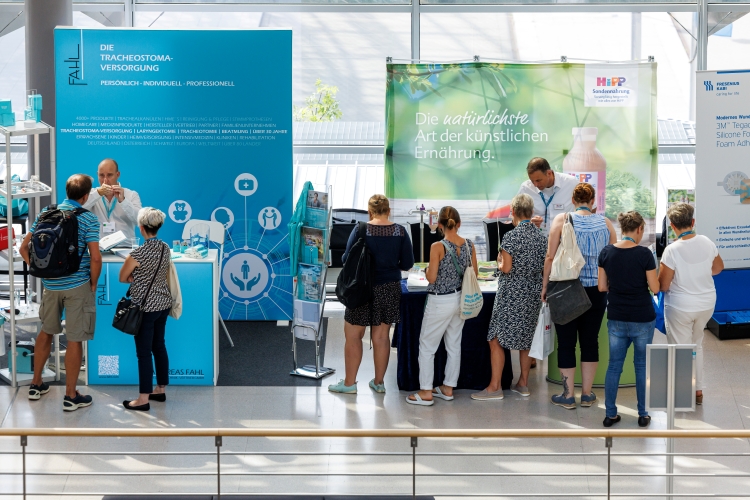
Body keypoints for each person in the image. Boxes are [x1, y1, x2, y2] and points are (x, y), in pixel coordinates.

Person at [20, 174, 101, 411]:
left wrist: (41, 271)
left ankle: (36, 384)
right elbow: (96, 258)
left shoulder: (46, 213)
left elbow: (24, 248)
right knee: (74, 338)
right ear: (85, 196)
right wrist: (93, 284)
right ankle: (70, 396)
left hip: (50, 286)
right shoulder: (88, 218)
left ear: (66, 191)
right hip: (77, 286)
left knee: (46, 332)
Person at [329, 195, 414, 394]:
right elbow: (407, 263)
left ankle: (349, 384)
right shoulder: (400, 231)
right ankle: (379, 382)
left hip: (360, 288)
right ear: (389, 211)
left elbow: (346, 258)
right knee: (382, 337)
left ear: (369, 212)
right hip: (389, 288)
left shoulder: (360, 229)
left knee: (353, 336)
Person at [542, 183, 616, 410]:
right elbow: (612, 257)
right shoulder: (606, 223)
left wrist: (545, 287)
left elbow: (550, 257)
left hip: (566, 288)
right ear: (593, 202)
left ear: (573, 201)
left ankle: (567, 395)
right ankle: (586, 394)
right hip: (596, 291)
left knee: (566, 343)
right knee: (589, 341)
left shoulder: (562, 220)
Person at [472, 193, 547, 401]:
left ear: (513, 212)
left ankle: (495, 387)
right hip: (533, 292)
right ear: (531, 212)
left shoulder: (511, 237)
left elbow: (506, 268)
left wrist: (498, 262)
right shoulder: (541, 238)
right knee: (526, 339)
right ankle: (523, 383)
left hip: (511, 293)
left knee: (495, 338)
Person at [407, 207, 478, 406]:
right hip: (460, 300)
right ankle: (448, 387)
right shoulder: (469, 245)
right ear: (459, 223)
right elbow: (475, 273)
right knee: (454, 345)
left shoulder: (437, 246)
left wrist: (427, 270)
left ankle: (426, 391)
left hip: (440, 301)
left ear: (439, 225)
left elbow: (431, 278)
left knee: (427, 346)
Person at [598, 211, 660, 427]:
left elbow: (602, 287)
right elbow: (655, 288)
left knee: (614, 366)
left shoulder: (606, 252)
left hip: (617, 317)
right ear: (639, 229)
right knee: (641, 366)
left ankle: (610, 414)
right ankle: (643, 414)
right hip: (642, 317)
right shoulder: (645, 254)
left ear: (622, 228)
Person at [659, 203, 723, 406]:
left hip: (681, 307)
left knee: (681, 349)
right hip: (706, 303)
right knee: (697, 345)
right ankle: (698, 391)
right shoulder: (707, 242)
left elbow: (663, 285)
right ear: (693, 222)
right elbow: (718, 268)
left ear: (672, 226)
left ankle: (682, 393)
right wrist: (699, 273)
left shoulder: (671, 250)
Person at [119, 208, 173, 411]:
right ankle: (160, 389)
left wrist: (135, 277)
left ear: (141, 228)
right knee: (159, 346)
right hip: (163, 303)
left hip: (145, 307)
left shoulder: (138, 253)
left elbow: (122, 277)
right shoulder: (165, 248)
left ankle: (143, 399)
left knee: (143, 353)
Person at [83, 158, 142, 243]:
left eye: (109, 175)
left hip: (125, 247)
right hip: (99, 248)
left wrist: (123, 201)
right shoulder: (91, 194)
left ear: (117, 175)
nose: (105, 180)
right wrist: (98, 194)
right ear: (97, 175)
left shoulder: (131, 195)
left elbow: (139, 221)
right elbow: (77, 210)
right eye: (101, 175)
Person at [518, 157, 580, 234]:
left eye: (538, 180)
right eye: (532, 181)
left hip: (565, 238)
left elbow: (590, 208)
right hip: (536, 239)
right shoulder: (525, 188)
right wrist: (528, 223)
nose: (535, 185)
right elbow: (515, 217)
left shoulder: (572, 183)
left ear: (549, 173)